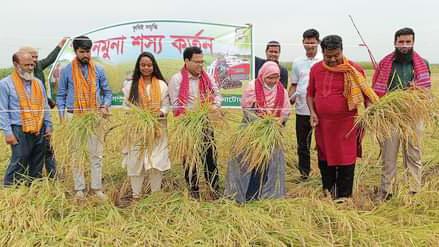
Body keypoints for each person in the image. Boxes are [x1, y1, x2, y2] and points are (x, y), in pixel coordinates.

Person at [306, 35, 378, 202]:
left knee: (346, 160)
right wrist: (313, 113)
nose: (332, 60)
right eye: (328, 56)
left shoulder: (354, 69)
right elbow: (310, 94)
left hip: (347, 125)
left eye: (336, 55)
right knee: (325, 159)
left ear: (342, 51)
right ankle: (328, 193)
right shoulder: (316, 69)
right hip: (323, 125)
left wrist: (369, 114)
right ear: (322, 52)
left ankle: (344, 198)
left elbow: (367, 95)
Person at [372, 27, 431, 200]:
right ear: (395, 42)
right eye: (401, 42)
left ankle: (413, 191)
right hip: (391, 116)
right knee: (389, 155)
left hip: (414, 115)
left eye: (408, 42)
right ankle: (386, 192)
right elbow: (376, 91)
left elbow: (426, 92)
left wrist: (417, 91)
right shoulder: (385, 63)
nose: (404, 45)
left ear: (413, 42)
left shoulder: (422, 63)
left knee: (414, 154)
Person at [225, 61, 291, 203]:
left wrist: (277, 122)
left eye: (276, 78)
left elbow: (285, 112)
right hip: (251, 132)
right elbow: (247, 109)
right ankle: (244, 195)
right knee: (248, 162)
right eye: (270, 78)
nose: (273, 81)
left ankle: (263, 195)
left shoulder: (282, 91)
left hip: (271, 134)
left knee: (268, 165)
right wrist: (260, 123)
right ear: (262, 76)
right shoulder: (252, 87)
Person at [56, 36, 112, 200]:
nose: (86, 55)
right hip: (74, 117)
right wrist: (62, 117)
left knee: (96, 154)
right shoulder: (66, 71)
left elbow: (107, 92)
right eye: (82, 52)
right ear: (75, 51)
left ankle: (96, 188)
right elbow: (60, 96)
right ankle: (79, 189)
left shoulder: (99, 70)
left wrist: (104, 105)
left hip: (94, 116)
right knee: (76, 153)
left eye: (88, 51)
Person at [168, 46, 222, 199]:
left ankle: (214, 190)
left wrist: (214, 106)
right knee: (190, 161)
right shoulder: (177, 79)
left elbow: (217, 95)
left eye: (202, 61)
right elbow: (175, 104)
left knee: (210, 158)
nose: (200, 65)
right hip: (186, 126)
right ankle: (194, 193)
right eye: (196, 62)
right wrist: (189, 116)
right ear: (186, 61)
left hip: (205, 123)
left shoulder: (207, 78)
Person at [121, 52, 171, 199]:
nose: (146, 68)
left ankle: (155, 194)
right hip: (136, 130)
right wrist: (137, 115)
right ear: (138, 66)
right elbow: (126, 107)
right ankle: (136, 195)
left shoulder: (162, 85)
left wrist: (160, 113)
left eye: (149, 65)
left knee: (156, 161)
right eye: (143, 65)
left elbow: (166, 106)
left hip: (157, 130)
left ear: (153, 66)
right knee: (136, 161)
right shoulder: (130, 85)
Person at [18, 37, 68, 178]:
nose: (34, 60)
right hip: (27, 117)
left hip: (42, 113)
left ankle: (52, 174)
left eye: (36, 57)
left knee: (47, 145)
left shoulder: (38, 66)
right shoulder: (17, 76)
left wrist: (60, 45)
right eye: (31, 57)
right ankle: (29, 177)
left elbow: (50, 59)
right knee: (28, 150)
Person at [0, 52, 52, 186]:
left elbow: (44, 106)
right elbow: (3, 111)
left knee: (37, 161)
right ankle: (10, 189)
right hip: (18, 129)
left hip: (39, 128)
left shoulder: (38, 83)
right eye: (26, 65)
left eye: (32, 64)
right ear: (16, 65)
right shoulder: (5, 84)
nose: (30, 68)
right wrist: (8, 133)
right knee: (19, 160)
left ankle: (33, 189)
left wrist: (48, 125)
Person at [289, 28, 322, 180]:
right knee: (303, 145)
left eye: (312, 42)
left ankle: (325, 174)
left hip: (321, 110)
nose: (309, 45)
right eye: (307, 42)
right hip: (302, 109)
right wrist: (287, 100)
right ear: (303, 42)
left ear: (318, 42)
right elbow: (294, 85)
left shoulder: (324, 60)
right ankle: (304, 175)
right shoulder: (297, 62)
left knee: (323, 144)